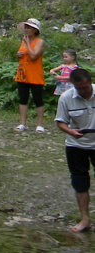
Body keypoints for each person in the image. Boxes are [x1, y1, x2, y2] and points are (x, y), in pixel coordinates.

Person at [54, 68, 95, 232]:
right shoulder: (66, 98)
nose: (84, 91)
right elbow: (60, 122)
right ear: (73, 85)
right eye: (79, 88)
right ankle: (85, 219)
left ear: (90, 81)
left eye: (86, 87)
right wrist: (70, 131)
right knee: (80, 182)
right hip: (75, 145)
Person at [15, 18, 46, 132]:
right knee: (23, 98)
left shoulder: (40, 42)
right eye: (26, 27)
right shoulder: (23, 41)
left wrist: (27, 43)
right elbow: (22, 54)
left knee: (38, 98)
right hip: (23, 73)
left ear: (35, 30)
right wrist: (18, 54)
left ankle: (40, 124)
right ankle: (23, 123)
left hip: (35, 73)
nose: (26, 29)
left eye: (29, 27)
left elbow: (33, 56)